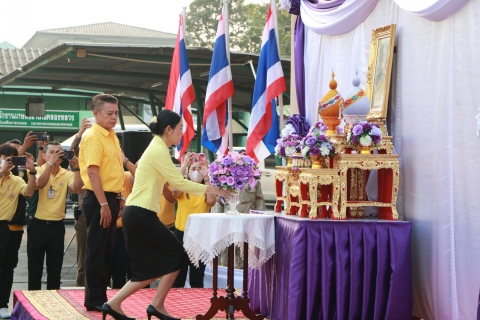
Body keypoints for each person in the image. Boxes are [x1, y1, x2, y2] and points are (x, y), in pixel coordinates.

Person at [102, 109, 231, 320]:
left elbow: (173, 185)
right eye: (180, 128)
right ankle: (140, 304)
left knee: (167, 260)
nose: (182, 133)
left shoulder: (157, 147)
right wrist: (213, 189)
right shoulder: (158, 150)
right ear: (169, 129)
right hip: (140, 214)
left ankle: (133, 304)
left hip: (140, 213)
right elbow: (178, 184)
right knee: (175, 257)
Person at [79, 94, 125, 312]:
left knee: (107, 250)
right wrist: (104, 204)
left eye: (116, 113)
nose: (114, 117)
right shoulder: (93, 136)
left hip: (111, 196)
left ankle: (101, 296)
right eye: (109, 113)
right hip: (99, 198)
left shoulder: (112, 135)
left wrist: (120, 197)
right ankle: (93, 299)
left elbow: (116, 169)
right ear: (95, 113)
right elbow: (92, 172)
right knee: (96, 250)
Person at [27, 142, 83, 290]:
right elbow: (40, 184)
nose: (56, 155)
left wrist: (76, 168)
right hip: (37, 224)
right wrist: (50, 164)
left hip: (57, 226)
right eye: (52, 152)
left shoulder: (67, 173)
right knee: (35, 267)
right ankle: (33, 300)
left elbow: (77, 189)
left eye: (59, 152)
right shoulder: (36, 170)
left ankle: (53, 302)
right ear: (44, 155)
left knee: (55, 268)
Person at [0, 144, 36, 319]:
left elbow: (29, 192)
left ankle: (2, 305)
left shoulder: (17, 179)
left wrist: (33, 171)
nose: (8, 162)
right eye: (4, 158)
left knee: (7, 268)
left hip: (9, 229)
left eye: (11, 160)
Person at [172, 159, 215, 288]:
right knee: (178, 275)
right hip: (181, 234)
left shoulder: (207, 188)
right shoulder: (184, 186)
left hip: (200, 236)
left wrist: (207, 177)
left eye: (199, 169)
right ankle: (175, 305)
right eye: (193, 169)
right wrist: (183, 167)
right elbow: (175, 191)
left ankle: (197, 306)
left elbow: (212, 201)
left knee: (197, 277)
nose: (196, 172)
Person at [69, 118, 92, 287]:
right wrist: (80, 134)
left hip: (104, 215)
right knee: (83, 260)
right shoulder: (80, 167)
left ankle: (103, 293)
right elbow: (71, 153)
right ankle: (80, 292)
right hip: (84, 217)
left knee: (103, 258)